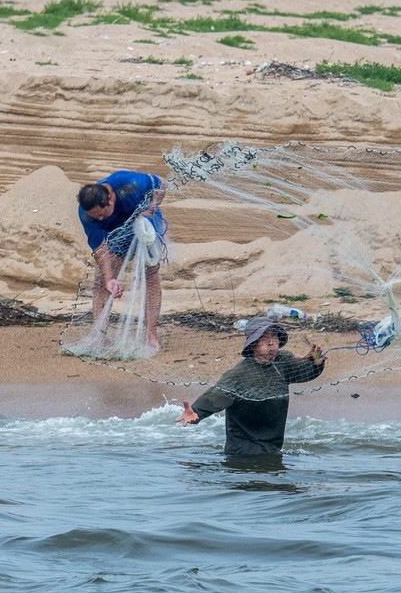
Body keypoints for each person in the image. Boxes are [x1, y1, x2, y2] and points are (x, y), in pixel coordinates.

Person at [175, 317, 326, 456]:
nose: (271, 343)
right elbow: (215, 396)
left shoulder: (283, 362)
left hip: (272, 449)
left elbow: (305, 373)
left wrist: (316, 362)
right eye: (264, 339)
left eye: (274, 337)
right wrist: (196, 412)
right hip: (243, 453)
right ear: (253, 344)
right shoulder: (238, 374)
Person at [77, 171, 167, 349]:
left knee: (150, 276)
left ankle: (150, 335)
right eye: (96, 218)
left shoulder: (128, 184)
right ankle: (100, 335)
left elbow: (162, 184)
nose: (100, 219)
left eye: (102, 215)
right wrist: (110, 278)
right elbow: (100, 248)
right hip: (118, 233)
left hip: (144, 223)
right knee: (101, 281)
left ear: (110, 199)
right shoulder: (87, 215)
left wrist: (150, 209)